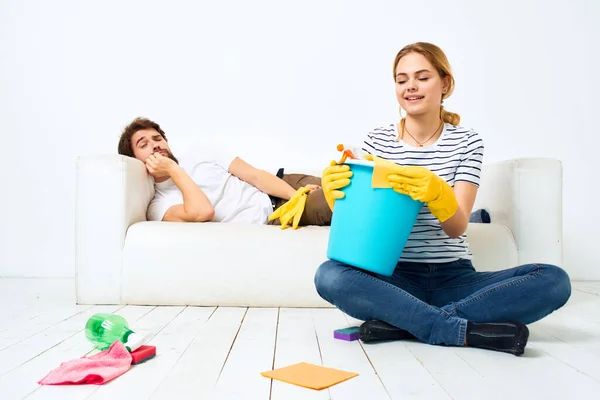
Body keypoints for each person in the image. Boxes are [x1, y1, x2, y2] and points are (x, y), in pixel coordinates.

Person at [314, 42, 571, 356]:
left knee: (554, 280)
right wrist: (338, 199)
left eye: (422, 77)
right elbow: (365, 227)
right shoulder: (377, 141)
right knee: (329, 275)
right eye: (401, 79)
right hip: (393, 277)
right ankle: (449, 326)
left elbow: (457, 226)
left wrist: (437, 192)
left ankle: (406, 322)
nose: (410, 86)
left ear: (445, 83)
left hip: (454, 277)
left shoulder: (466, 142)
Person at [117, 117, 332, 227]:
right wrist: (173, 169)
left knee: (346, 180)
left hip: (283, 184)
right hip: (275, 214)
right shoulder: (159, 206)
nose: (155, 145)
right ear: (136, 161)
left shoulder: (200, 152)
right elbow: (204, 212)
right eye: (144, 144)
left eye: (158, 139)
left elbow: (255, 176)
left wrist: (297, 195)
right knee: (337, 200)